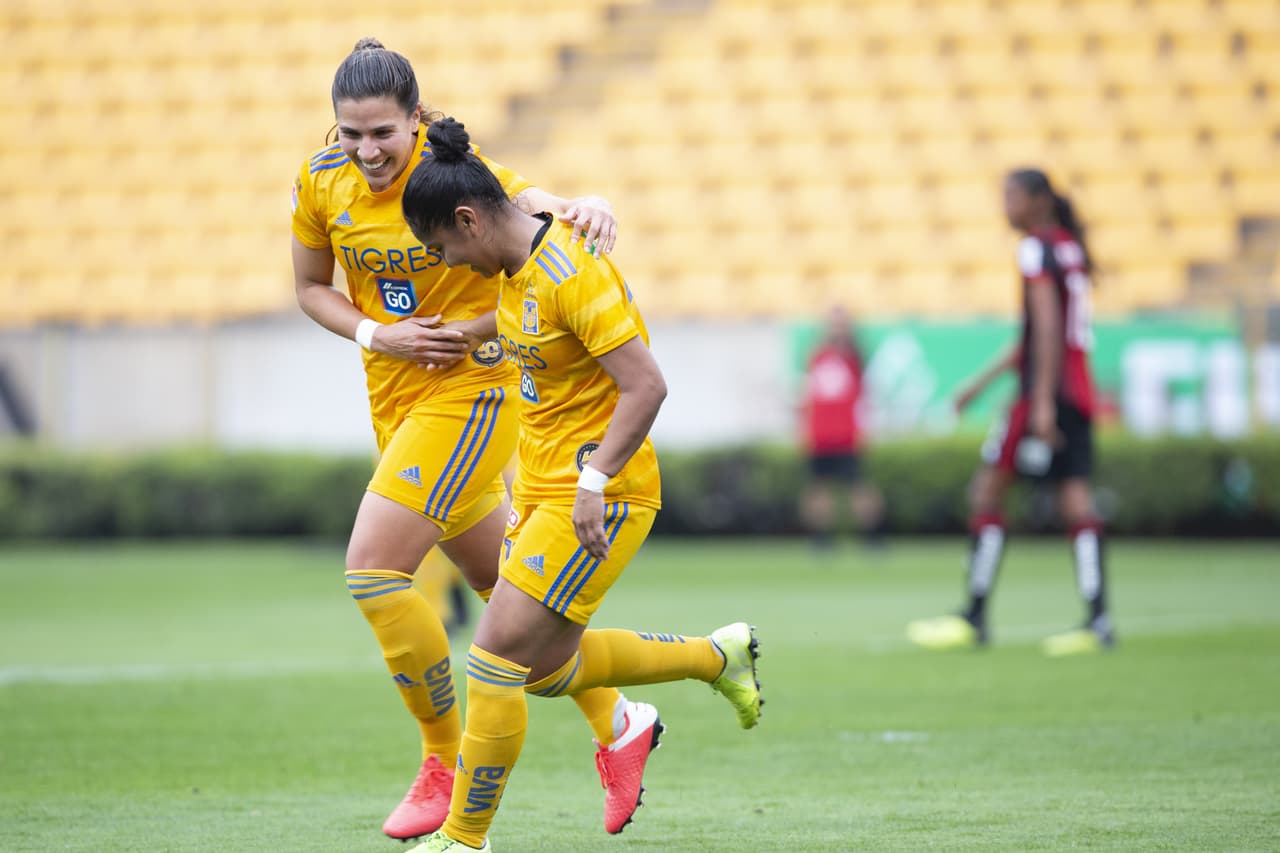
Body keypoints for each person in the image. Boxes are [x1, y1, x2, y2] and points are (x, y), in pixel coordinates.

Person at [290, 39, 632, 841]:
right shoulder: (320, 181)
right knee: (511, 603)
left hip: (473, 394)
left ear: (419, 119)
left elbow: (529, 206)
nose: (368, 151)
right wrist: (379, 334)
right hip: (398, 400)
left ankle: (441, 760)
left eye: (384, 133)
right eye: (352, 133)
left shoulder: (452, 168)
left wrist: (584, 202)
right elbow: (309, 288)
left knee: (373, 571)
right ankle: (621, 719)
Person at [399, 117, 762, 852]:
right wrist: (467, 337)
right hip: (540, 489)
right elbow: (536, 340)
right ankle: (716, 657)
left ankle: (465, 840)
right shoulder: (514, 259)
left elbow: (647, 385)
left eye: (443, 248)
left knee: (494, 657)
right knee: (544, 670)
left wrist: (595, 478)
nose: (449, 262)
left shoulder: (572, 271)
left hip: (601, 494)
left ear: (469, 220)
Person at [907, 168, 1115, 657]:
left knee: (986, 492)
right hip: (1078, 390)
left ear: (1039, 200)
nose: (1006, 205)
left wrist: (1039, 401)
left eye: (1013, 196)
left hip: (1044, 393)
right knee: (1076, 502)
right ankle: (1098, 621)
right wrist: (980, 383)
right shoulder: (1068, 246)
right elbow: (1047, 332)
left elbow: (1042, 330)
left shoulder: (1034, 249)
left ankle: (974, 616)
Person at [798, 305, 885, 549]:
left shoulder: (854, 356)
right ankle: (820, 539)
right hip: (820, 434)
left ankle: (872, 536)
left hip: (846, 435)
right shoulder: (817, 356)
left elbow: (859, 363)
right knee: (818, 488)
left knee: (859, 487)